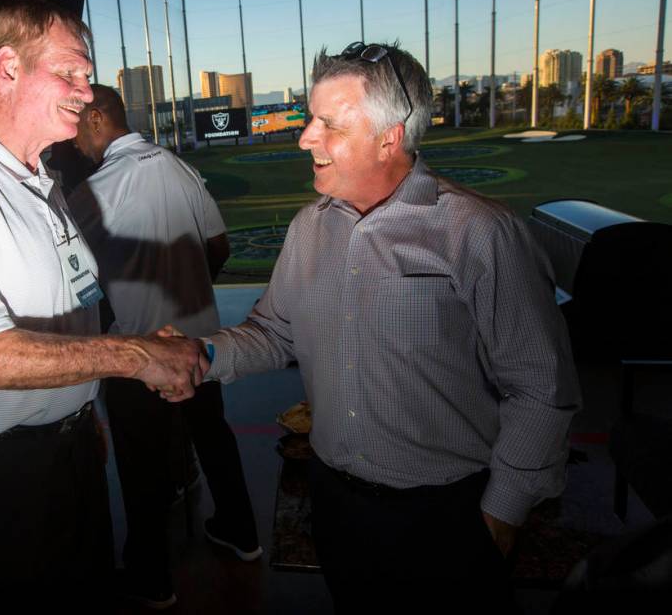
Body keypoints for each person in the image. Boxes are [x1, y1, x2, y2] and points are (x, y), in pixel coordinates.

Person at [196, 42, 581, 609]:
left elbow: (542, 387)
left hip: (449, 512)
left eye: (328, 124)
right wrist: (200, 358)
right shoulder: (308, 229)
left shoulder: (479, 233)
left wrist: (503, 508)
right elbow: (274, 333)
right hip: (336, 503)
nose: (305, 138)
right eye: (310, 120)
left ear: (389, 136)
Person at [0, 0, 205, 610]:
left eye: (87, 76)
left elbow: (72, 301)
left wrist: (82, 417)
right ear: (8, 67)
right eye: (72, 72)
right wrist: (135, 356)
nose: (88, 92)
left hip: (70, 450)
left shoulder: (40, 177)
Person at [67, 85, 260, 609]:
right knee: (213, 438)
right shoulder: (177, 167)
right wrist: (189, 299)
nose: (72, 137)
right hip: (200, 342)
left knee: (140, 465)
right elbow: (218, 246)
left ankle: (152, 575)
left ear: (95, 118)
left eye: (74, 121)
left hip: (140, 356)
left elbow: (71, 279)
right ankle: (242, 533)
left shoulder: (93, 190)